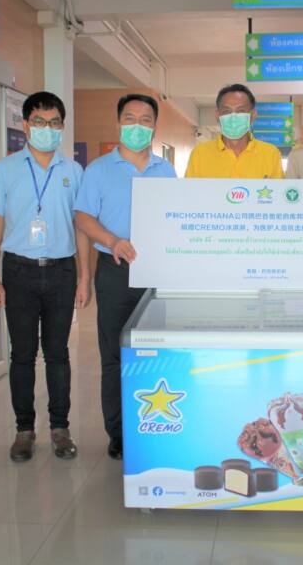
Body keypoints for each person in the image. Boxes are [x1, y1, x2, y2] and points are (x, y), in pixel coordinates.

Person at [0, 91, 90, 462]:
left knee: (58, 354)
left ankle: (60, 429)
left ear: (62, 126)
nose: (47, 129)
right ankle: (24, 431)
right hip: (18, 271)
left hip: (61, 271)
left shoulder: (73, 172)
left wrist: (84, 277)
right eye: (40, 122)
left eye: (54, 122)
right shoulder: (5, 169)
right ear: (26, 125)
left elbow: (81, 227)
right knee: (23, 355)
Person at [74, 94, 176, 460]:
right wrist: (111, 241)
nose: (137, 126)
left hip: (156, 272)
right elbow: (82, 217)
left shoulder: (165, 170)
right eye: (130, 118)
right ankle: (118, 433)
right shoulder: (98, 169)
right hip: (115, 270)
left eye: (145, 120)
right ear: (119, 123)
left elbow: (175, 216)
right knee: (115, 354)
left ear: (154, 127)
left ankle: (154, 424)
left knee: (156, 350)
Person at [185, 83, 283, 179]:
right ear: (217, 115)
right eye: (226, 111)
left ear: (253, 115)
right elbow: (190, 189)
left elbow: (278, 189)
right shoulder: (200, 154)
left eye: (241, 111)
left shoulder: (270, 154)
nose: (233, 117)